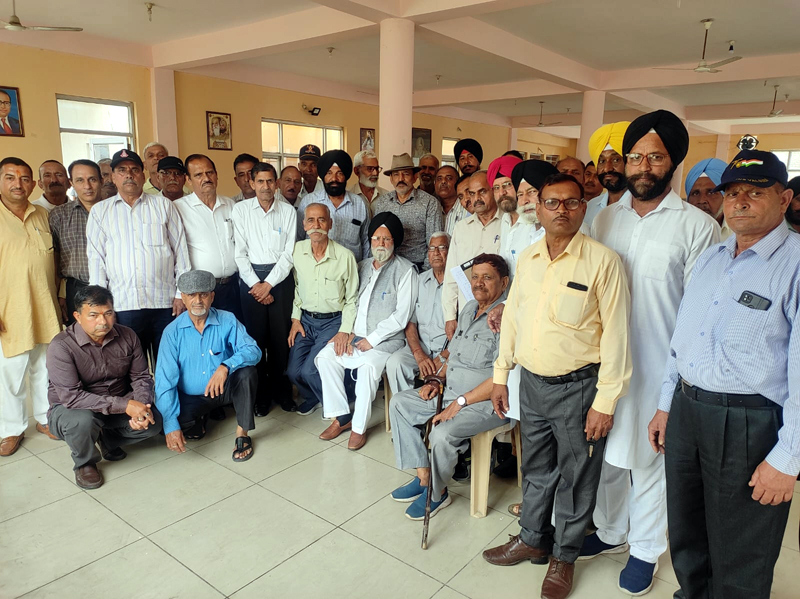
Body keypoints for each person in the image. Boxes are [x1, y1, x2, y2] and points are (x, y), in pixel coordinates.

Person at [650, 150, 799, 599]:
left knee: (742, 545)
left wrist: (788, 459)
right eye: (732, 193)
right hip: (688, 411)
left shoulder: (794, 265)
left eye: (756, 193)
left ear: (786, 198)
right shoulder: (712, 258)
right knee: (688, 528)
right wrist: (664, 404)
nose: (740, 202)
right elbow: (683, 338)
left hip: (749, 424)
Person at [587, 110, 720, 595]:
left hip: (660, 367)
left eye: (655, 157)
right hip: (606, 364)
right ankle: (608, 531)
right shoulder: (604, 218)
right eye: (635, 156)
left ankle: (644, 549)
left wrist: (676, 389)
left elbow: (700, 314)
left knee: (649, 459)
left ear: (673, 163)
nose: (643, 166)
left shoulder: (697, 227)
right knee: (605, 455)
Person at [483, 173, 632, 599]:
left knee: (576, 477)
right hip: (530, 384)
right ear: (539, 208)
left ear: (584, 208)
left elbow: (617, 336)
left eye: (570, 202)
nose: (561, 210)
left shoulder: (603, 261)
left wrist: (605, 401)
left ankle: (564, 556)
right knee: (534, 468)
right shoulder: (528, 258)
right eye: (552, 202)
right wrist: (501, 375)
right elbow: (511, 320)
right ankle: (531, 537)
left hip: (578, 389)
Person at [389, 253, 510, 519]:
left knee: (441, 435)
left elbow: (504, 377)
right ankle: (424, 478)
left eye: (487, 278)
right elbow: (451, 354)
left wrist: (461, 402)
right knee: (399, 403)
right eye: (475, 277)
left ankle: (437, 493)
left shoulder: (507, 318)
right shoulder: (468, 309)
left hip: (485, 403)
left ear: (504, 283)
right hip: (451, 391)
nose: (478, 283)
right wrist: (436, 379)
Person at [316, 212, 417, 450]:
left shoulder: (406, 271)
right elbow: (349, 302)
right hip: (353, 336)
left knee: (366, 369)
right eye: (376, 238)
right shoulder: (360, 267)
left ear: (395, 242)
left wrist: (371, 340)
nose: (380, 244)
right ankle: (341, 417)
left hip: (384, 342)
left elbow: (401, 316)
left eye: (386, 239)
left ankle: (359, 428)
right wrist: (346, 332)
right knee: (325, 358)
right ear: (370, 240)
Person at [46, 285, 161, 489]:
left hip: (118, 402)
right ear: (77, 316)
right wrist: (125, 405)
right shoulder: (61, 346)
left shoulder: (127, 335)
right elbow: (71, 397)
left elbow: (141, 377)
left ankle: (107, 439)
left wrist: (141, 407)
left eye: (108, 313)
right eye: (93, 315)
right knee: (82, 421)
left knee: (155, 422)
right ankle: (85, 463)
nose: (103, 321)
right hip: (75, 409)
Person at [86, 149, 190, 366]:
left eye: (134, 170)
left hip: (165, 303)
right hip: (124, 304)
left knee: (170, 364)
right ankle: (141, 401)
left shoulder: (163, 206)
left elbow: (181, 251)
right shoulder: (100, 212)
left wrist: (181, 294)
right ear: (113, 177)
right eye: (122, 170)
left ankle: (167, 401)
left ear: (143, 175)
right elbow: (96, 261)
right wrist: (100, 306)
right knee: (131, 367)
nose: (129, 175)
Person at [155, 270, 261, 461]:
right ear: (183, 299)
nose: (198, 301)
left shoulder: (227, 319)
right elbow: (165, 381)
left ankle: (242, 434)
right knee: (166, 424)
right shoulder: (172, 332)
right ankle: (202, 417)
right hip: (193, 397)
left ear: (212, 297)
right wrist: (171, 426)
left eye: (203, 294)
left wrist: (225, 366)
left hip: (225, 388)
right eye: (191, 295)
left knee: (247, 373)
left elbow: (254, 351)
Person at [0, 157, 62, 456]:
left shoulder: (40, 215)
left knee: (45, 367)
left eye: (24, 178)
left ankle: (45, 418)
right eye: (10, 177)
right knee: (10, 372)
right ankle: (10, 430)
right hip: (10, 310)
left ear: (32, 184)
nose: (18, 184)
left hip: (44, 304)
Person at [232, 162, 297, 415]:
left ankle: (283, 392)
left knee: (281, 341)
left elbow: (289, 254)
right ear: (251, 183)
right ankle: (260, 396)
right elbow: (239, 254)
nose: (266, 186)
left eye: (270, 181)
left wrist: (268, 284)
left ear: (277, 183)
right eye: (260, 181)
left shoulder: (288, 211)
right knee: (256, 341)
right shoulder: (241, 211)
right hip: (250, 282)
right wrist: (256, 285)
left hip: (280, 282)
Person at [288, 203, 359, 416]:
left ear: (330, 223)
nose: (316, 225)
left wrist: (344, 330)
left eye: (321, 220)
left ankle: (337, 407)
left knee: (310, 370)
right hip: (306, 321)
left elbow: (352, 298)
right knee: (292, 372)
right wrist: (295, 319)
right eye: (311, 220)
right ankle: (313, 397)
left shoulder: (345, 256)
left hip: (332, 322)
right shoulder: (297, 251)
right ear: (304, 224)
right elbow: (297, 288)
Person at [174, 154, 241, 319]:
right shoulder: (178, 209)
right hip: (200, 291)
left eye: (210, 173)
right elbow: (175, 254)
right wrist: (179, 292)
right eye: (198, 175)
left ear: (217, 175)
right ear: (188, 180)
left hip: (232, 286)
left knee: (233, 335)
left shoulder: (230, 205)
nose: (206, 178)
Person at [385, 231, 450, 393]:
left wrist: (443, 356)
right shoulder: (419, 280)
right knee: (395, 363)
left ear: (452, 251)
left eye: (442, 248)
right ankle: (406, 410)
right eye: (432, 248)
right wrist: (418, 354)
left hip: (449, 351)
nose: (436, 253)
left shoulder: (458, 283)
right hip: (422, 347)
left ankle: (438, 413)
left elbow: (464, 331)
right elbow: (410, 322)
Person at [442, 170, 502, 340]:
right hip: (467, 312)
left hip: (499, 314)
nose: (476, 198)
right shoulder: (461, 228)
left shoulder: (508, 223)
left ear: (493, 190)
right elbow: (451, 276)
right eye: (471, 193)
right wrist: (450, 316)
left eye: (482, 191)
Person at [50, 159, 103, 325]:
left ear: (101, 180)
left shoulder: (115, 212)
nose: (87, 186)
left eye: (92, 179)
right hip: (75, 289)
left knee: (115, 340)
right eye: (80, 180)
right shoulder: (59, 215)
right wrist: (60, 293)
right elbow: (55, 260)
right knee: (80, 344)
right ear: (71, 183)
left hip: (113, 287)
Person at [297, 150, 371, 261]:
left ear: (346, 176)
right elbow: (299, 238)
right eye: (329, 173)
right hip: (316, 269)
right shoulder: (308, 201)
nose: (334, 179)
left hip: (352, 270)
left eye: (340, 173)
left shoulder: (360, 203)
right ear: (323, 176)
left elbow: (366, 242)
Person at [372, 153, 443, 270]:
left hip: (417, 268)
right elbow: (376, 238)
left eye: (406, 174)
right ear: (391, 179)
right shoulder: (382, 203)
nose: (401, 179)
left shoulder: (430, 203)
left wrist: (423, 274)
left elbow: (434, 244)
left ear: (415, 177)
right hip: (387, 267)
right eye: (396, 175)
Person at [584, 121, 631, 228]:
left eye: (615, 160)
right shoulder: (590, 206)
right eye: (601, 161)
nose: (607, 168)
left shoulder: (642, 208)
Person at [684, 157, 726, 225]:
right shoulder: (677, 229)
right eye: (695, 193)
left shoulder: (739, 231)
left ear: (725, 197)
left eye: (711, 193)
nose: (701, 200)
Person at [350, 150, 388, 216]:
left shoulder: (386, 196)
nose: (375, 173)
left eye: (377, 168)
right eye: (370, 169)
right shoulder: (348, 195)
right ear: (357, 171)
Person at [436, 165, 468, 235]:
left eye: (449, 178)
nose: (443, 181)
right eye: (439, 179)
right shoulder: (431, 209)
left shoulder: (467, 208)